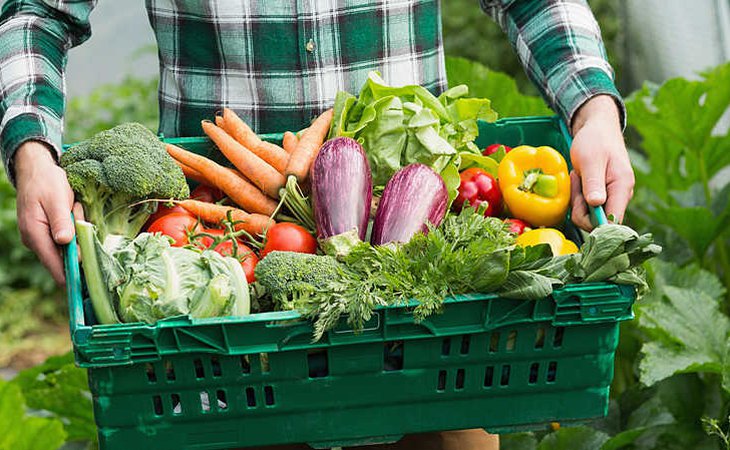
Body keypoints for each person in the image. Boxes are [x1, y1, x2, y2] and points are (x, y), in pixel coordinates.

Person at [0, 1, 633, 449]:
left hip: (429, 314)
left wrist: (594, 108)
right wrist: (31, 148)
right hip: (226, 325)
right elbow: (38, 9)